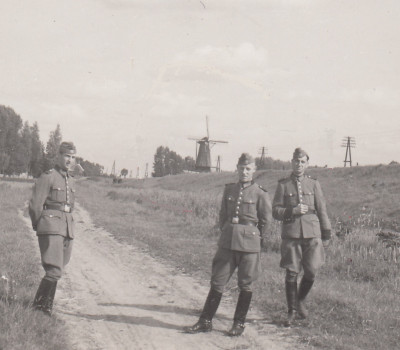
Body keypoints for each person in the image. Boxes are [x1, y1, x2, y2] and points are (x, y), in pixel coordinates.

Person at [184, 153, 272, 336]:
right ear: (237, 169)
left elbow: (265, 221)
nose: (245, 172)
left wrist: (255, 237)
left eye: (248, 169)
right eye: (241, 168)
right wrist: (226, 229)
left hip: (249, 246)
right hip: (227, 243)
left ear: (254, 170)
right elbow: (223, 215)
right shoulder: (229, 189)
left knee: (246, 284)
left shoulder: (260, 193)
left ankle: (238, 324)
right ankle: (205, 321)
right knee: (217, 281)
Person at [272, 147, 331, 327]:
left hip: (312, 234)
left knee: (312, 271)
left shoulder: (314, 184)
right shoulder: (283, 184)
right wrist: (292, 211)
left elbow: (321, 209)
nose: (299, 164)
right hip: (292, 234)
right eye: (296, 161)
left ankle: (300, 300)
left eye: (302, 161)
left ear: (307, 164)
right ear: (292, 162)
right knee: (291, 272)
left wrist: (326, 233)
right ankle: (291, 311)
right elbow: (275, 211)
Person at [29, 141, 77, 315]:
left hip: (66, 228)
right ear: (59, 156)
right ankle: (40, 308)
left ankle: (44, 307)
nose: (70, 160)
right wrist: (39, 225)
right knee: (54, 269)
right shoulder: (48, 176)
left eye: (72, 157)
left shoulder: (71, 181)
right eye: (67, 156)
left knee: (58, 269)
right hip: (50, 226)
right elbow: (35, 205)